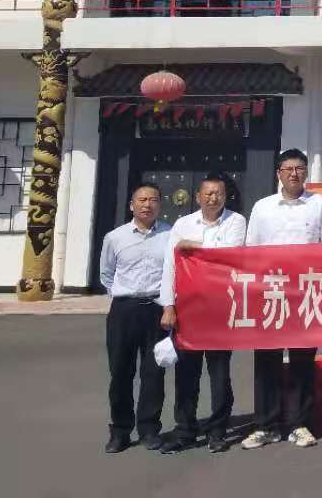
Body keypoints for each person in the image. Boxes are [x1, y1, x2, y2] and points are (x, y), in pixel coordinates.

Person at [241, 148, 322, 450]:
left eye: (299, 168)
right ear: (278, 173)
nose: (294, 173)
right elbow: (251, 249)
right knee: (266, 360)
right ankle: (266, 425)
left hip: (306, 292)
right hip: (270, 292)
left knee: (302, 361)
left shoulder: (320, 204)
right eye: (288, 169)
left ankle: (299, 423)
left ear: (306, 173)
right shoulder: (263, 207)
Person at [157, 173, 247, 454]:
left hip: (221, 308)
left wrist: (193, 247)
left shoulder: (236, 221)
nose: (213, 198)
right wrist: (168, 305)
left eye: (218, 193)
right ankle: (185, 429)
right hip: (188, 309)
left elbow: (229, 255)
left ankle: (218, 431)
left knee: (219, 374)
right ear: (198, 197)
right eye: (208, 193)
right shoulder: (183, 224)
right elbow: (170, 265)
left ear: (225, 196)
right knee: (187, 373)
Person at [100, 183, 172, 453]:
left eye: (153, 200)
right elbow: (106, 274)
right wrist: (124, 296)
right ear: (132, 205)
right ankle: (120, 431)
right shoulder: (115, 237)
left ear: (160, 205)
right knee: (120, 372)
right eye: (142, 200)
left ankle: (149, 429)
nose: (147, 204)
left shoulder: (170, 235)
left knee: (154, 373)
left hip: (156, 309)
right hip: (124, 310)